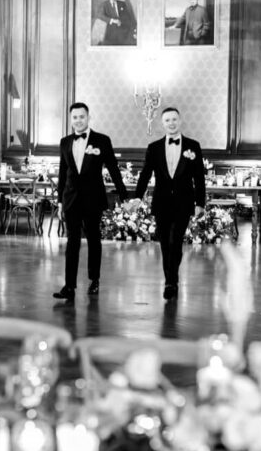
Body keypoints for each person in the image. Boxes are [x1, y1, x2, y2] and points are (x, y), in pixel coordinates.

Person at [53, 103, 128, 302]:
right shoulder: (64, 142)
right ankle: (69, 286)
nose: (78, 120)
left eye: (82, 117)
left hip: (93, 198)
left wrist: (124, 195)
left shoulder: (101, 140)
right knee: (72, 242)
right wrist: (59, 201)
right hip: (70, 199)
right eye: (75, 117)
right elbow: (63, 173)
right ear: (71, 119)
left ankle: (94, 279)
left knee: (94, 240)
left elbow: (113, 168)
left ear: (88, 118)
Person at [134, 107, 206, 300]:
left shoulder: (193, 146)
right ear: (162, 123)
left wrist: (200, 202)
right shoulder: (154, 147)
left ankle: (171, 282)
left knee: (176, 241)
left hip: (184, 202)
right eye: (167, 120)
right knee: (165, 243)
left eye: (174, 119)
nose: (171, 123)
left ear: (180, 121)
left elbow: (199, 177)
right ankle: (171, 279)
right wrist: (137, 197)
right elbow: (145, 174)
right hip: (162, 202)